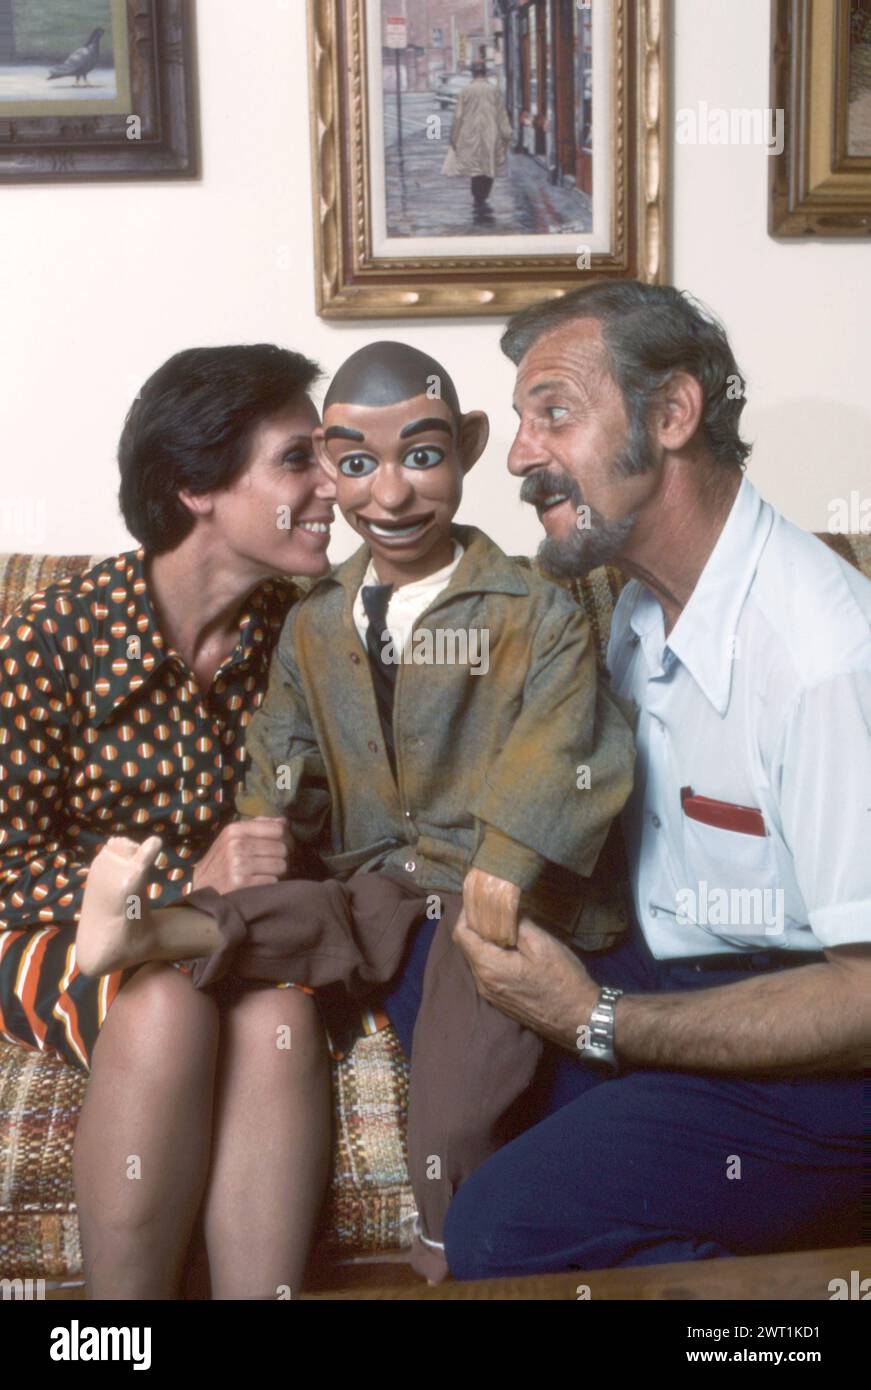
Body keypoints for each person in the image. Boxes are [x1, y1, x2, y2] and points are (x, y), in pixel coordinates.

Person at [74, 339, 636, 1283]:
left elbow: (567, 750)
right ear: (332, 471)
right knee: (271, 916)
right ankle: (143, 932)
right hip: (377, 880)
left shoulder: (528, 610)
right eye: (354, 462)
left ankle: (449, 1245)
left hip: (476, 887)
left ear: (465, 447)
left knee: (460, 1094)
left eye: (422, 456)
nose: (389, 494)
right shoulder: (316, 617)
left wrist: (508, 862)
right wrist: (267, 817)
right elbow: (286, 754)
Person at [436, 280, 871, 1278]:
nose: (515, 455)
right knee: (445, 978)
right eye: (518, 420)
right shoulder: (631, 603)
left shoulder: (819, 656)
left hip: (828, 1046)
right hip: (677, 964)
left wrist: (596, 1020)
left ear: (672, 413)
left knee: (505, 1227)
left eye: (554, 411)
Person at [0, 344, 338, 1299]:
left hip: (230, 930)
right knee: (164, 1007)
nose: (330, 488)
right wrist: (179, 883)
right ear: (194, 484)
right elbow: (4, 863)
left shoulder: (309, 632)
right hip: (57, 926)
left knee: (278, 1014)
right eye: (296, 460)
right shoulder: (53, 640)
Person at [441, 60, 512, 217]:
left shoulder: (466, 91)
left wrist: (454, 136)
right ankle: (483, 196)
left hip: (470, 134)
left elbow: (458, 116)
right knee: (488, 165)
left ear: (473, 73)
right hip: (490, 133)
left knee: (475, 167)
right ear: (485, 73)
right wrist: (507, 134)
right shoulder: (493, 91)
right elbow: (501, 115)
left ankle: (477, 197)